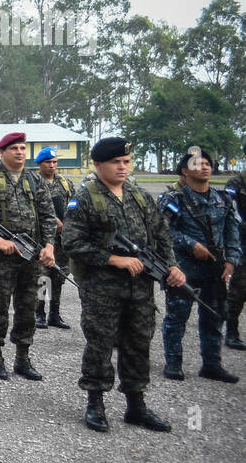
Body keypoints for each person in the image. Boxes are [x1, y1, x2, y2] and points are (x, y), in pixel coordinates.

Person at [62, 137, 182, 433]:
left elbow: (162, 234)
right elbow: (72, 242)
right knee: (100, 344)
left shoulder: (140, 196)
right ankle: (95, 404)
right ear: (98, 164)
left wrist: (172, 265)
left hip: (140, 287)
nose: (122, 167)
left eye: (126, 162)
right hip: (101, 289)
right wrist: (114, 259)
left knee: (138, 343)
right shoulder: (85, 198)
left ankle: (136, 405)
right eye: (116, 162)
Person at [0, 133, 56, 381]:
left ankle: (22, 358)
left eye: (22, 148)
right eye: (14, 148)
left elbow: (48, 216)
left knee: (28, 307)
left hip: (31, 257)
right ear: (2, 151)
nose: (20, 152)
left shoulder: (35, 180)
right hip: (1, 258)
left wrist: (49, 246)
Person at [158, 149, 240, 383]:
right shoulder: (175, 199)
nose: (204, 167)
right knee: (177, 317)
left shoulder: (222, 199)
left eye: (207, 164)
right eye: (197, 164)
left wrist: (231, 260)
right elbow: (162, 231)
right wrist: (190, 244)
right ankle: (173, 362)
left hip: (215, 268)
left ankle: (212, 364)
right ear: (185, 171)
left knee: (214, 316)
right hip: (183, 267)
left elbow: (232, 231)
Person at [34, 147, 75, 330]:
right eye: (48, 162)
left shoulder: (65, 183)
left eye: (54, 162)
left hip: (62, 237)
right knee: (43, 276)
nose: (52, 165)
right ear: (40, 164)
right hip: (42, 237)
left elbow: (74, 205)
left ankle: (54, 314)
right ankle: (39, 313)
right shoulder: (34, 182)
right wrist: (52, 220)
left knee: (59, 275)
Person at [222, 144, 246, 351]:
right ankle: (231, 333)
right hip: (242, 243)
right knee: (238, 289)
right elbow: (231, 212)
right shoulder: (236, 183)